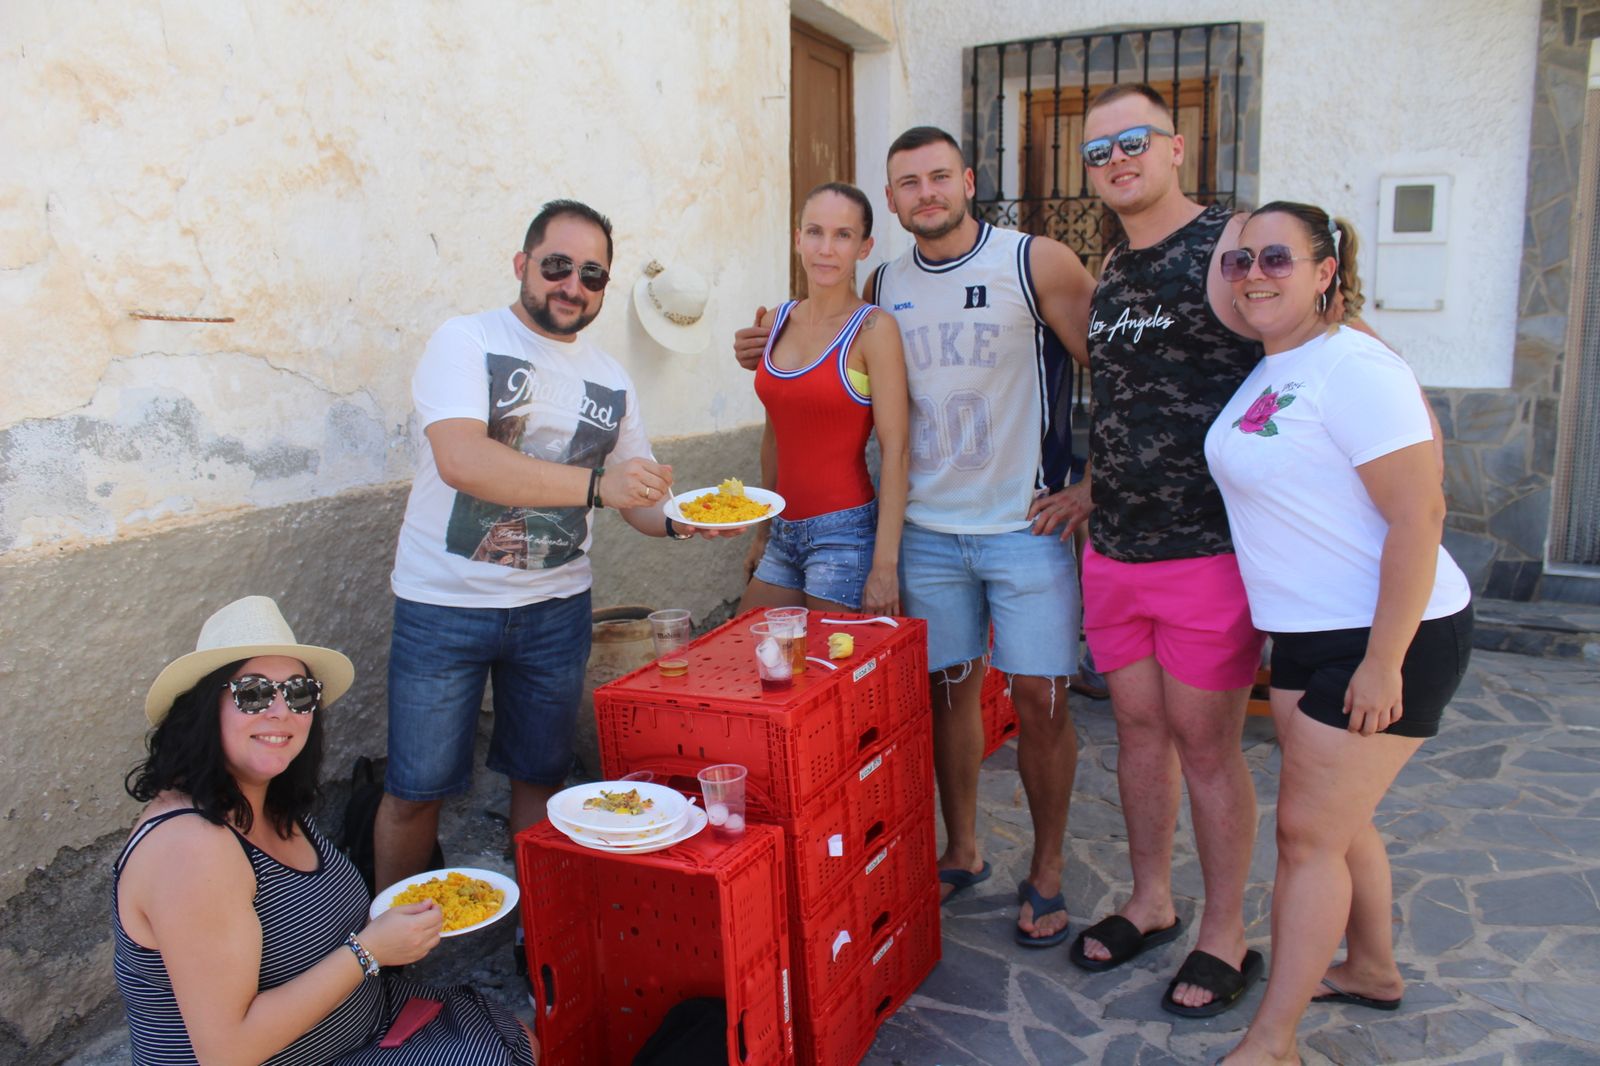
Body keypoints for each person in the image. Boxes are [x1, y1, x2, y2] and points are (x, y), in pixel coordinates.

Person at [738, 127, 1097, 948]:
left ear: (968, 180)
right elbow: (825, 363)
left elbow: (1110, 367)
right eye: (908, 182)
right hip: (929, 529)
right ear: (892, 202)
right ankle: (962, 848)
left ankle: (1045, 868)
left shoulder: (1032, 261)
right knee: (947, 699)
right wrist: (760, 345)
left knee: (1041, 704)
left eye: (939, 176)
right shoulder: (883, 282)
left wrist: (1092, 485)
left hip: (1024, 526)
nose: (926, 192)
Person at [376, 199, 729, 892]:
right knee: (416, 788)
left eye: (591, 274)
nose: (572, 285)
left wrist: (687, 518)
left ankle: (537, 934)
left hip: (555, 610)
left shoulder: (612, 378)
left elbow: (640, 501)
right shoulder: (466, 340)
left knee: (541, 778)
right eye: (557, 266)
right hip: (444, 605)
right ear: (522, 265)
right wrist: (601, 485)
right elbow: (462, 461)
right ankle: (388, 958)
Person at [1205, 203, 1473, 1064]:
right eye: (1240, 259)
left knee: (1307, 839)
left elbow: (1420, 512)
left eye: (1277, 257)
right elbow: (1228, 288)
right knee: (1343, 825)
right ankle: (1372, 969)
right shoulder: (1281, 362)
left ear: (1326, 271)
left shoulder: (1356, 365)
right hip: (1310, 633)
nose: (1253, 274)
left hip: (1391, 631)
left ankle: (1273, 1041)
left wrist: (1385, 660)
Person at [1029, 83, 1272, 1016]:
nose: (1116, 159)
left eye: (1133, 141)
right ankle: (1152, 901)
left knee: (1208, 745)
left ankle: (1224, 933)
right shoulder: (1119, 268)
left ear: (1177, 146)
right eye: (1098, 152)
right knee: (1136, 732)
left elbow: (1324, 353)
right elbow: (1131, 401)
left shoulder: (1233, 245)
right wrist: (1093, 489)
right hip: (1117, 552)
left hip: (1206, 553)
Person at [116, 595, 537, 1065]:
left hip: (356, 1026)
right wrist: (368, 951)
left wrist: (389, 932)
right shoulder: (191, 847)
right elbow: (226, 1052)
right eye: (253, 693)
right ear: (203, 711)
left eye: (298, 693)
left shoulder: (264, 800)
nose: (281, 711)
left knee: (513, 1036)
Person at [740, 181, 909, 616]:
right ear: (798, 239)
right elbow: (774, 436)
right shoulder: (775, 320)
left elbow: (897, 451)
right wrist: (762, 530)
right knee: (749, 654)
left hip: (844, 534)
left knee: (825, 674)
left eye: (843, 235)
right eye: (815, 232)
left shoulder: (873, 330)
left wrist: (885, 564)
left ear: (864, 247)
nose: (826, 249)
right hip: (782, 531)